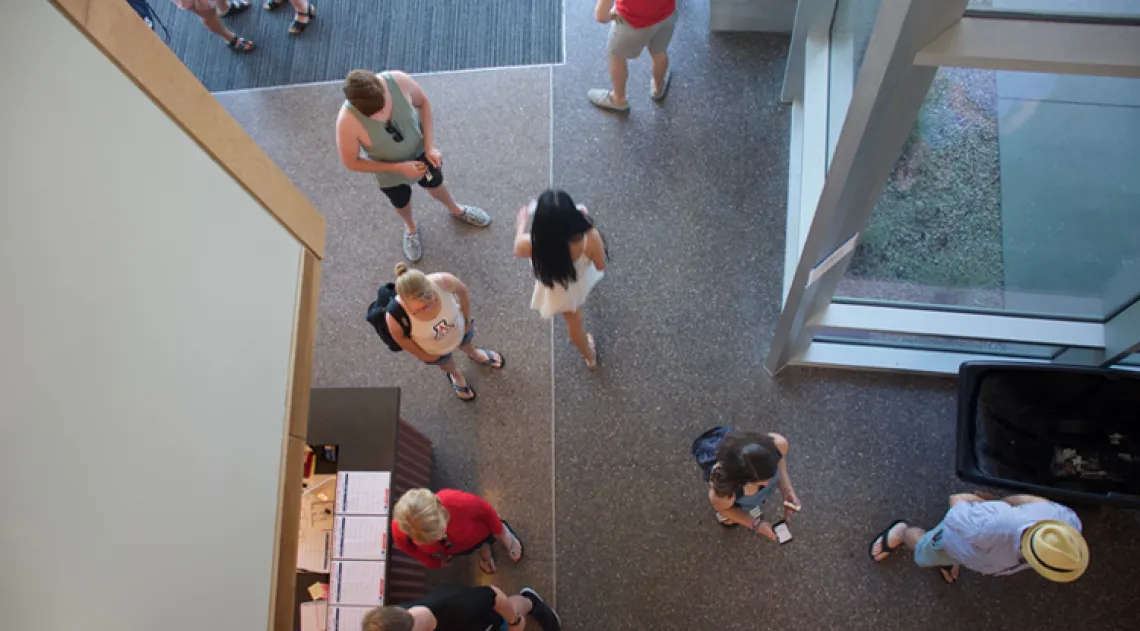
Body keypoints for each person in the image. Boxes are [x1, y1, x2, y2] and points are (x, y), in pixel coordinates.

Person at [336, 69, 490, 262]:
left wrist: (429, 146)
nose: (382, 114)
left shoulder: (398, 81)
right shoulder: (346, 122)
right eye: (373, 114)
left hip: (421, 154)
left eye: (383, 107)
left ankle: (456, 209)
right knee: (401, 201)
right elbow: (351, 162)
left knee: (436, 185)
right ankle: (411, 228)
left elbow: (423, 103)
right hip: (389, 172)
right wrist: (399, 168)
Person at [869, 491, 1088, 584]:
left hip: (969, 548)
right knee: (922, 552)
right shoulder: (986, 527)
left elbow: (1025, 500)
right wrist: (982, 511)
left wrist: (999, 504)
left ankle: (949, 560)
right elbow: (957, 501)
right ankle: (901, 532)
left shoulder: (1065, 526)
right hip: (952, 538)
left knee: (947, 556)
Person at [513, 190, 606, 370]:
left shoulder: (531, 243)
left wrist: (522, 222)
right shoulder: (590, 238)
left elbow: (517, 248)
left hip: (556, 288)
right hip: (577, 281)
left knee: (574, 323)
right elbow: (600, 265)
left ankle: (590, 358)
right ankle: (590, 358)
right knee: (576, 323)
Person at [385, 264, 504, 402]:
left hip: (459, 329)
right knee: (446, 363)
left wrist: (466, 319)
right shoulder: (394, 316)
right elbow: (401, 339)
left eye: (432, 299)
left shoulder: (443, 281)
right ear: (405, 302)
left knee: (467, 342)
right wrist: (424, 355)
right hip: (434, 349)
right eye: (421, 308)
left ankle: (474, 353)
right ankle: (455, 375)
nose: (429, 308)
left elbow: (462, 290)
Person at [691, 427, 801, 541]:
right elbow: (723, 508)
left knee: (748, 505)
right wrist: (756, 524)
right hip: (733, 502)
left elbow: (780, 459)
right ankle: (739, 513)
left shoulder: (778, 444)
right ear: (741, 480)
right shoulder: (725, 493)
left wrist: (787, 490)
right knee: (732, 511)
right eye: (762, 482)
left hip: (745, 497)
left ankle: (749, 508)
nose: (769, 483)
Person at [392, 488, 523, 574]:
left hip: (478, 532)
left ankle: (503, 532)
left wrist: (498, 530)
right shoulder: (400, 532)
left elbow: (485, 510)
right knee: (475, 547)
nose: (440, 537)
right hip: (456, 547)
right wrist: (434, 563)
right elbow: (413, 551)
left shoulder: (455, 501)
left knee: (484, 538)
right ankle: (484, 552)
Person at [587, 0, 677, 111]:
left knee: (616, 56)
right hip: (666, 15)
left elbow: (601, 16)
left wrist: (611, 15)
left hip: (631, 22)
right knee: (659, 51)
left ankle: (618, 99)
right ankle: (658, 87)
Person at [361, 585, 561, 631]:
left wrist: (514, 621)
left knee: (508, 616)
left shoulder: (457, 604)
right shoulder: (398, 620)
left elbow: (494, 595)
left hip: (485, 619)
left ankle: (530, 601)